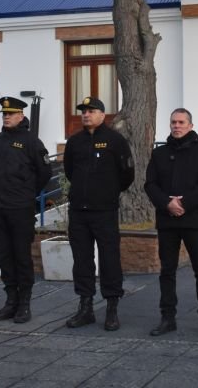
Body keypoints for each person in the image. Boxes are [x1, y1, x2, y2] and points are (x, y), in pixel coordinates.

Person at [144, 108, 198, 338]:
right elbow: (150, 184)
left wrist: (183, 203)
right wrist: (167, 204)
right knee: (167, 270)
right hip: (167, 220)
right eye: (173, 122)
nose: (176, 126)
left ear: (190, 126)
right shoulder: (159, 153)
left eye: (181, 122)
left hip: (194, 219)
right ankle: (168, 318)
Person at [63, 96, 134, 331]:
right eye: (83, 111)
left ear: (103, 115)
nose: (86, 114)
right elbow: (70, 171)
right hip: (79, 212)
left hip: (104, 211)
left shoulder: (115, 141)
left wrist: (107, 192)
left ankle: (112, 308)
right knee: (82, 260)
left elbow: (127, 175)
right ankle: (85, 308)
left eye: (91, 111)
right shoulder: (74, 142)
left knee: (109, 259)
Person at [0, 97, 52, 324]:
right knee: (3, 255)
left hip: (20, 208)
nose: (6, 116)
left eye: (11, 113)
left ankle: (24, 303)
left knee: (21, 256)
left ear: (21, 116)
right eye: (4, 113)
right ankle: (10, 300)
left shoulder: (31, 141)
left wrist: (26, 194)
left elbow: (44, 173)